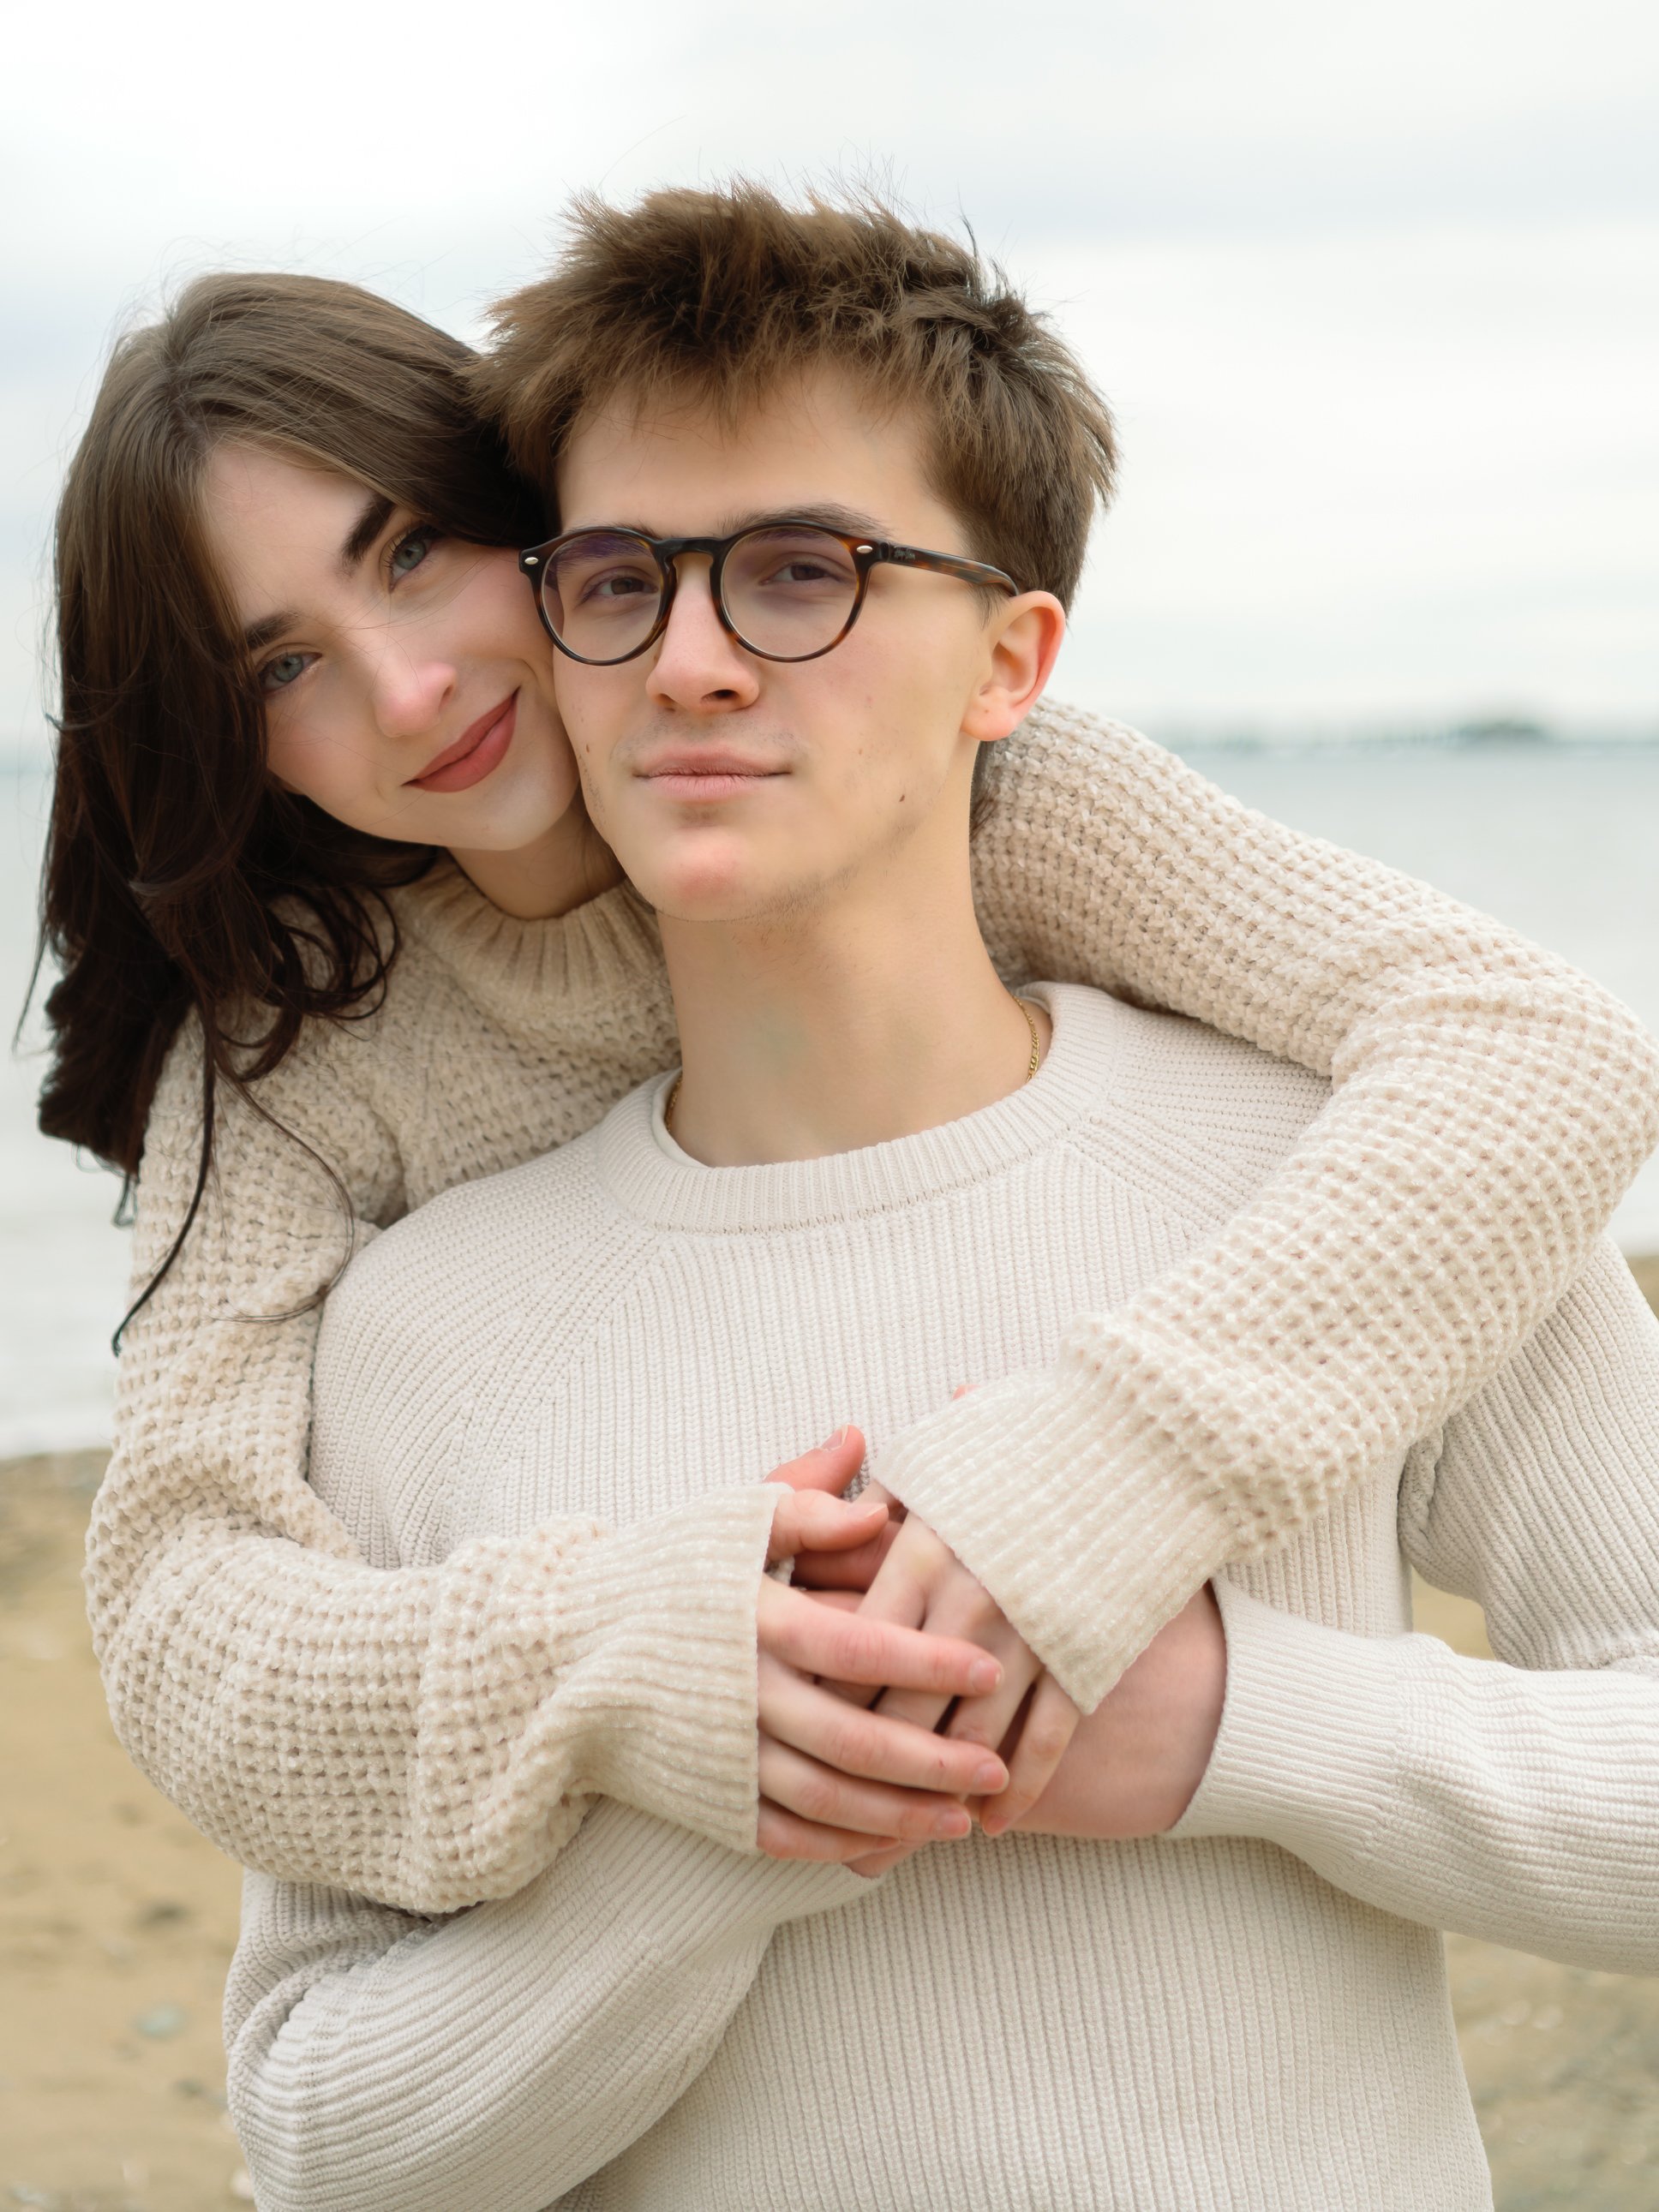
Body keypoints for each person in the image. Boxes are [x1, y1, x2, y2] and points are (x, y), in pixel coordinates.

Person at [223, 183, 1659, 2211]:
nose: (696, 659)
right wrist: (723, 1831)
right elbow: (314, 2138)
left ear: (1010, 661)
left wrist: (1250, 1724)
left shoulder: (1348, 1185)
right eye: (620, 577)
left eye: (801, 570)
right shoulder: (418, 1326)